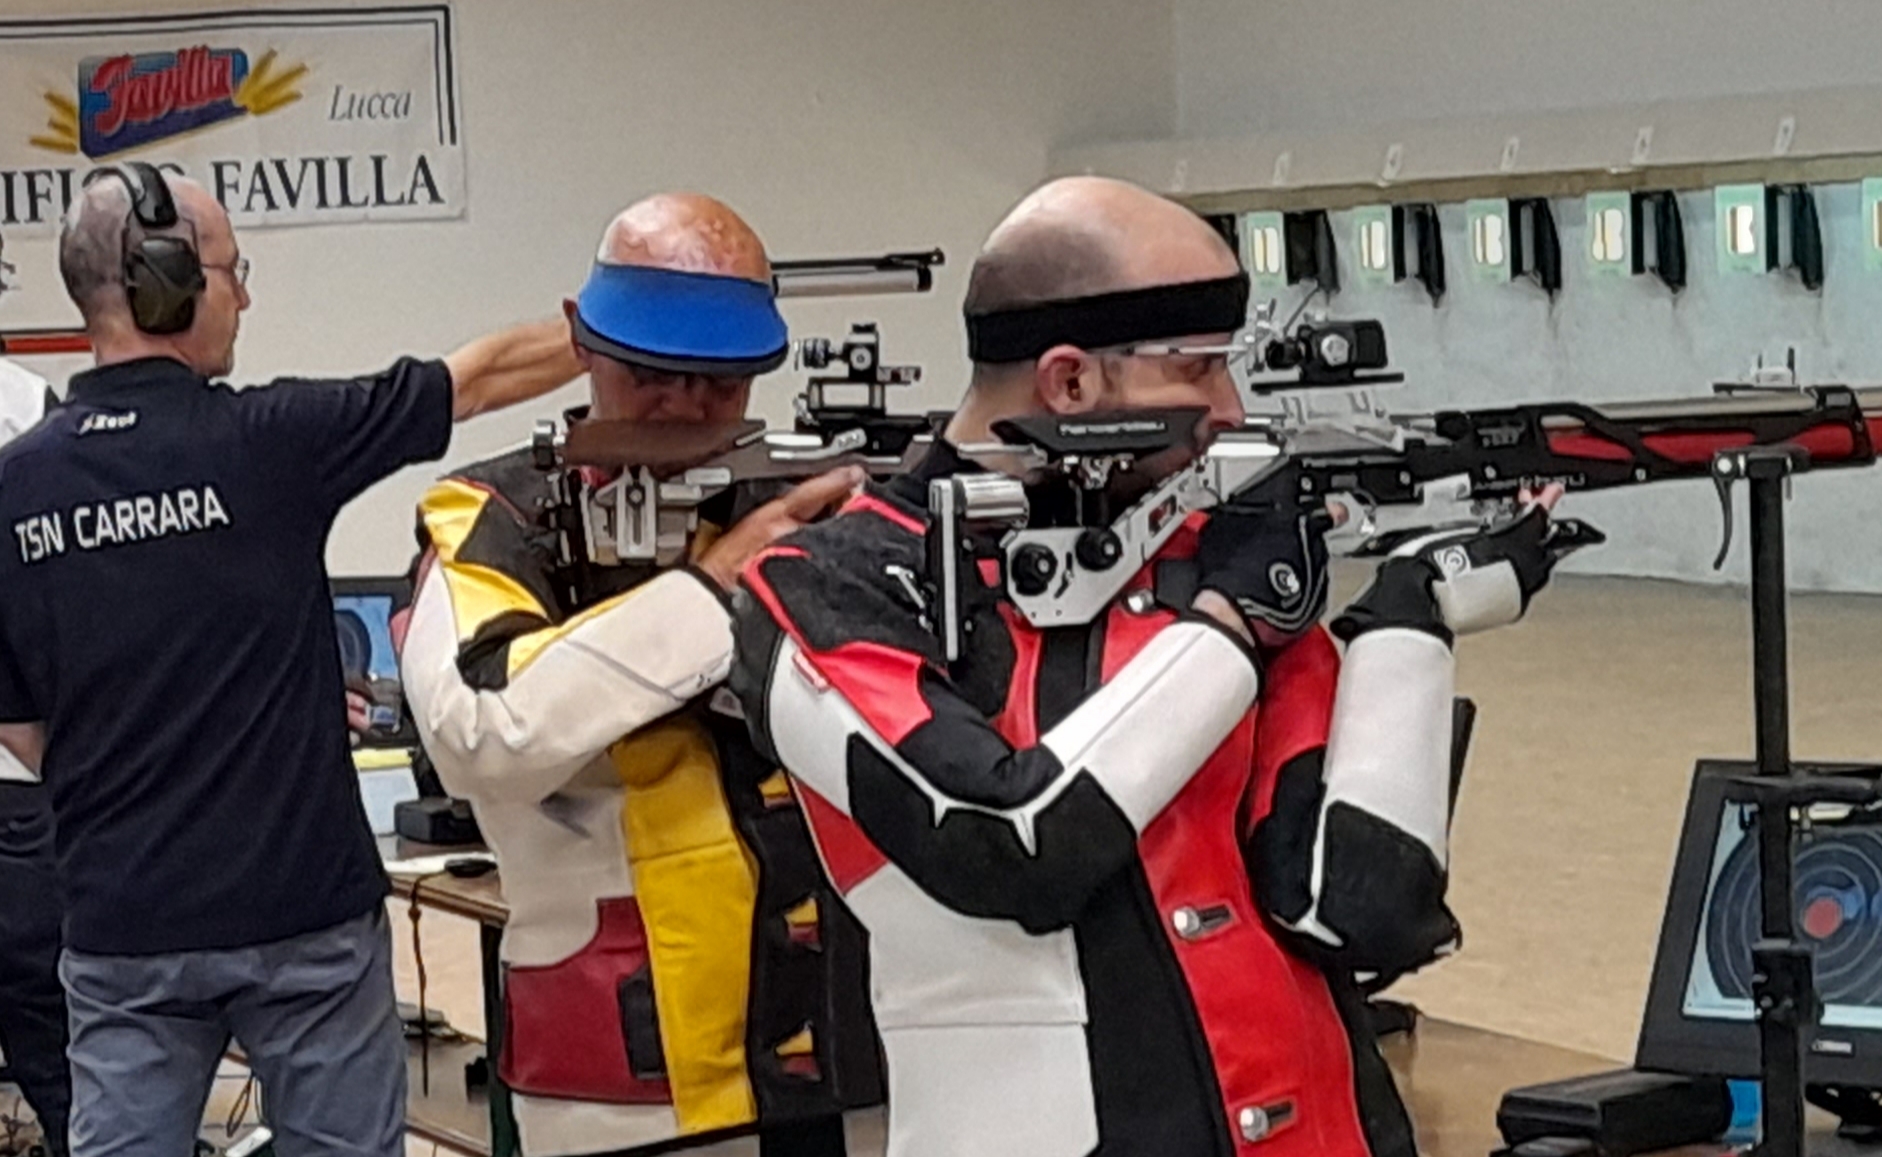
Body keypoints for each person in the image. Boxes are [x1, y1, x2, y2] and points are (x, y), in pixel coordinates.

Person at [730, 176, 1589, 1157]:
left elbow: (1361, 906)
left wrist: (1407, 621)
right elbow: (1008, 841)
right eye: (1197, 369)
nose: (1230, 409)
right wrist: (1227, 628)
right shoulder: (821, 590)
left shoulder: (1201, 555)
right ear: (1068, 383)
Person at [0, 160, 584, 1157]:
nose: (245, 296)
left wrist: (133, 780)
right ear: (166, 282)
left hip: (123, 926)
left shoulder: (15, 489)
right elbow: (476, 378)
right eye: (233, 271)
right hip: (304, 918)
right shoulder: (269, 440)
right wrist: (623, 333)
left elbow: (20, 719)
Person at [400, 193, 882, 1157]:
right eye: (653, 374)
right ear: (581, 341)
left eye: (721, 382)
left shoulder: (798, 497)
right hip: (627, 1073)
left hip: (848, 1052)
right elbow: (486, 730)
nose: (686, 406)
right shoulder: (493, 515)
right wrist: (713, 588)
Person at [0, 229, 69, 1157]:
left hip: (23, 789)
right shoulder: (32, 412)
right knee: (60, 1062)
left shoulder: (33, 410)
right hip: (27, 783)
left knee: (58, 1054)